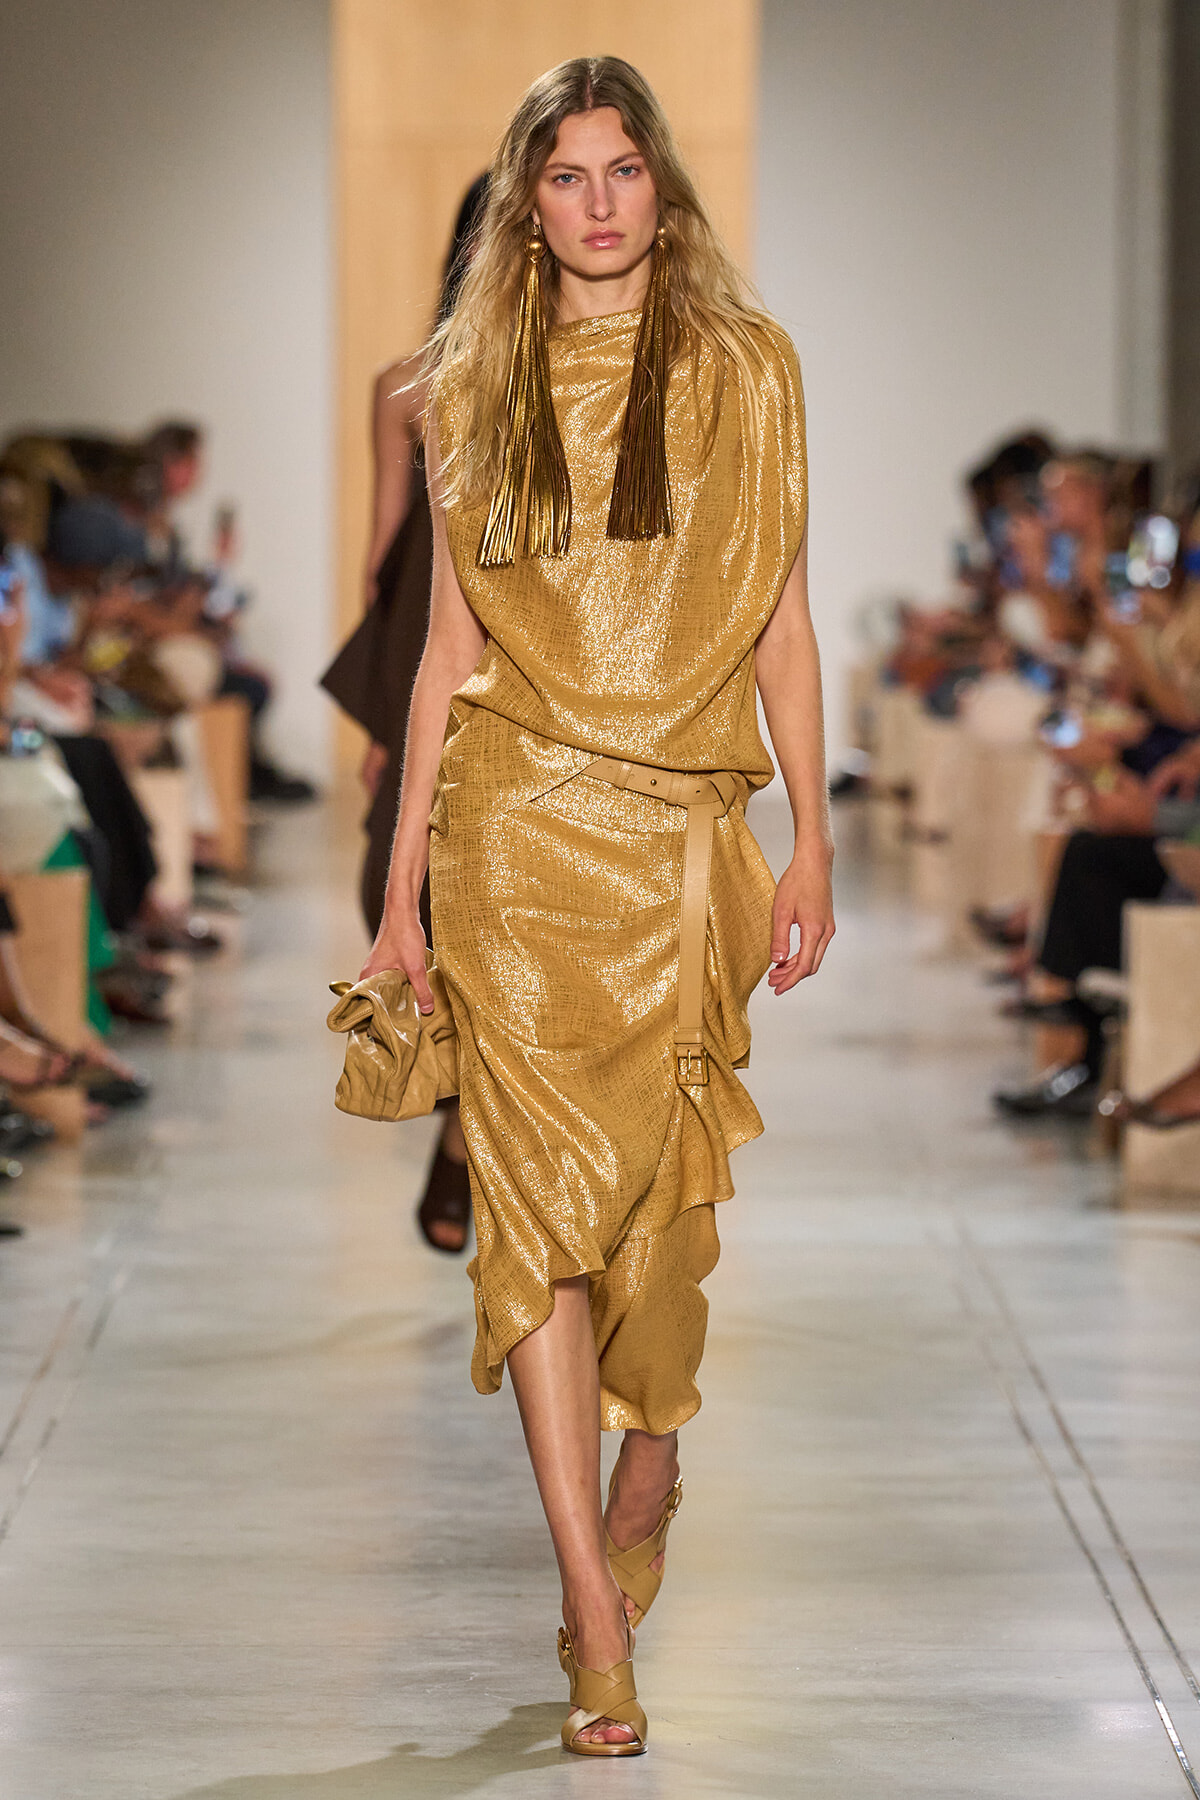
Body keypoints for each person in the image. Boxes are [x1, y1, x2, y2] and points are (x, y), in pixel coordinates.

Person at [359, 58, 833, 1755]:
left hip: (688, 836)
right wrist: (403, 895)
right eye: (567, 176)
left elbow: (781, 619)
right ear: (526, 201)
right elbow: (444, 658)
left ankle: (657, 1442)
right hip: (514, 842)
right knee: (538, 1226)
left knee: (660, 1218)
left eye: (626, 169)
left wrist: (814, 836)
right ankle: (584, 1601)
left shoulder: (749, 375)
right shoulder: (468, 385)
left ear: (663, 189)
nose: (602, 202)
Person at [322, 175, 489, 1254]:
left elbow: (385, 564)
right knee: (405, 894)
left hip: (515, 661)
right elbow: (393, 567)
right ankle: (459, 1113)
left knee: (486, 904)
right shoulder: (412, 390)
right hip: (433, 647)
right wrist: (389, 725)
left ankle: (468, 1135)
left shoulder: (538, 384)